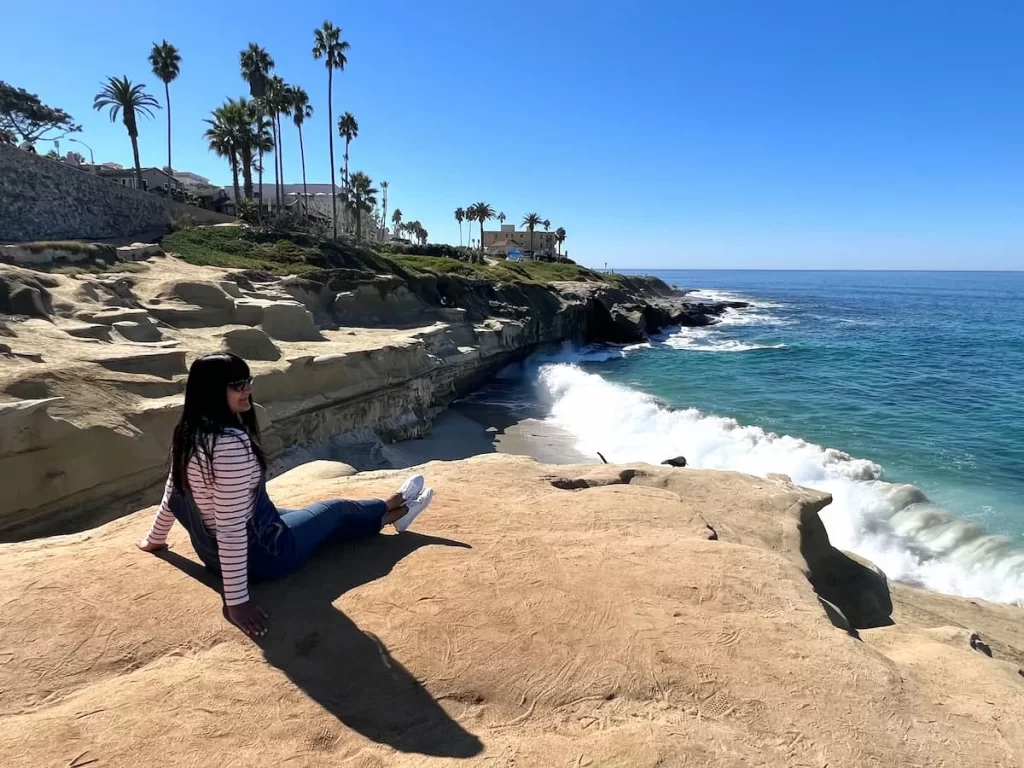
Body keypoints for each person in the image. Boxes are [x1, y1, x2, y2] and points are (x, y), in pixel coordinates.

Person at [137, 352, 434, 638]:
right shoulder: (229, 445)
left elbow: (173, 494)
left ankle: (394, 506)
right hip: (265, 555)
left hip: (216, 549)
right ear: (213, 391)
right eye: (237, 385)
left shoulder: (188, 432)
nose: (247, 390)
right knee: (334, 510)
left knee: (311, 519)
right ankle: (396, 510)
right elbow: (230, 529)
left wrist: (156, 539)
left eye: (247, 381)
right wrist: (236, 602)